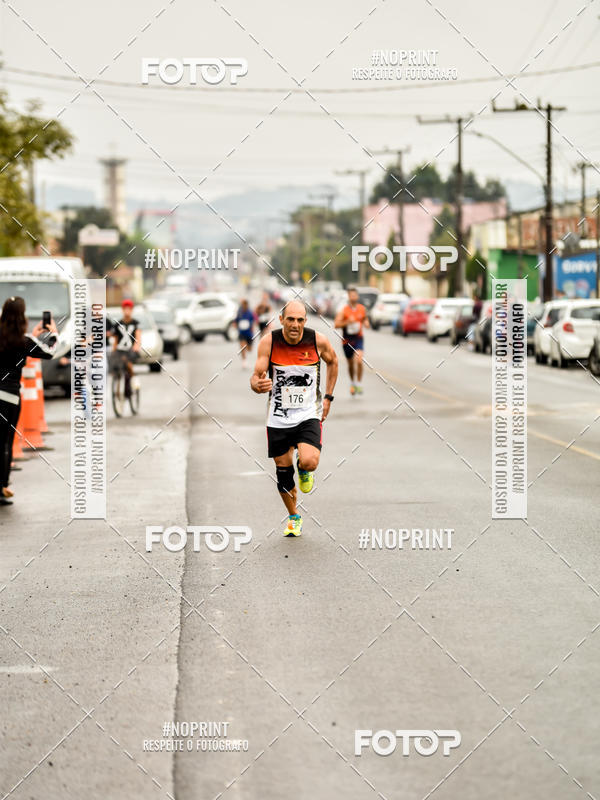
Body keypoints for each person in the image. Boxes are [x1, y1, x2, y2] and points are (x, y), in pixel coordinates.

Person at [250, 300, 338, 537]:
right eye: (290, 319)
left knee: (310, 461)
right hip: (278, 416)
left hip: (308, 413)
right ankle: (294, 517)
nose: (295, 325)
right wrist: (257, 385)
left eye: (300, 320)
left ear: (305, 321)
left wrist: (328, 397)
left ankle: (303, 467)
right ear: (281, 320)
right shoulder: (269, 342)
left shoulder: (317, 341)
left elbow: (333, 362)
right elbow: (255, 377)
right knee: (282, 471)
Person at [0, 297, 58, 505]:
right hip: (9, 397)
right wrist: (52, 334)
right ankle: (2, 487)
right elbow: (50, 352)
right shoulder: (24, 341)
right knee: (5, 443)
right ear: (22, 316)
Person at [334, 286, 369, 395]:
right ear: (348, 297)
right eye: (351, 295)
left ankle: (358, 384)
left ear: (357, 296)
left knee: (359, 360)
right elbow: (336, 324)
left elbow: (365, 318)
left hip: (358, 338)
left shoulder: (362, 309)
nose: (353, 297)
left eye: (355, 295)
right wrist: (347, 322)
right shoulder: (344, 310)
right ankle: (353, 383)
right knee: (350, 364)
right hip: (347, 340)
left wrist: (366, 323)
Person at [110, 299, 141, 397]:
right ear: (122, 310)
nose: (127, 311)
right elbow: (116, 339)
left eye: (129, 309)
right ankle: (117, 383)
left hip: (130, 349)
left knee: (128, 363)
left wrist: (136, 346)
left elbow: (138, 337)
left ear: (131, 310)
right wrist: (114, 350)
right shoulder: (118, 324)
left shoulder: (136, 323)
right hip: (120, 349)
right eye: (125, 309)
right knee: (114, 363)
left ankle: (133, 378)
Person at [235, 299, 256, 368]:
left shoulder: (250, 313)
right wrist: (236, 326)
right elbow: (236, 320)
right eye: (242, 305)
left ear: (247, 305)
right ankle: (244, 361)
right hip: (241, 333)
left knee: (249, 349)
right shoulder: (239, 312)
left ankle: (247, 347)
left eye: (245, 305)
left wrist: (252, 327)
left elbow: (254, 320)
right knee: (243, 347)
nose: (243, 306)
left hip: (249, 334)